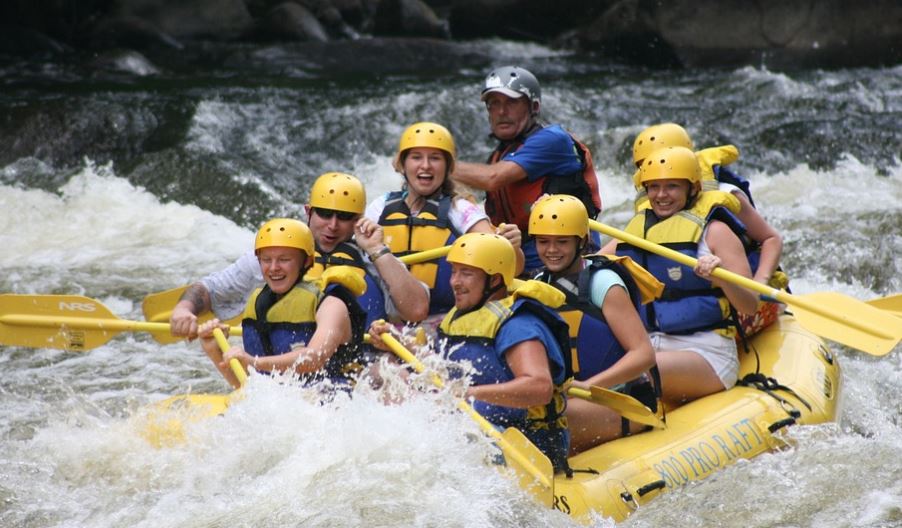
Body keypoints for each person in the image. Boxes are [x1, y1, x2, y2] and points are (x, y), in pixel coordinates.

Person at [369, 233, 572, 472]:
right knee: (387, 377)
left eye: (466, 274)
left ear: (494, 280)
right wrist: (401, 343)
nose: (455, 281)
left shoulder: (518, 325)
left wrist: (469, 393)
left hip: (524, 444)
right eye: (454, 271)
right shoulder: (462, 316)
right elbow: (446, 368)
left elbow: (539, 387)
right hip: (476, 428)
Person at [170, 172, 430, 338]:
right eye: (324, 214)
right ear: (308, 212)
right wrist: (184, 309)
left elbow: (417, 310)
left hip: (358, 369)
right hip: (288, 370)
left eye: (344, 217)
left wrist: (377, 250)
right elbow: (209, 288)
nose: (332, 225)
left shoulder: (371, 257)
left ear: (358, 220)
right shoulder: (278, 255)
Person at [605, 146, 759, 408]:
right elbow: (587, 265)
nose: (661, 195)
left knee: (636, 373)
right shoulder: (637, 232)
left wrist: (722, 278)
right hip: (649, 345)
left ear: (693, 188)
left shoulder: (716, 232)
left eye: (672, 186)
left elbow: (750, 305)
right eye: (653, 187)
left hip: (707, 352)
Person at [529, 195, 661, 454]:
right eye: (543, 242)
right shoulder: (539, 285)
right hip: (573, 399)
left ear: (581, 242)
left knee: (546, 421)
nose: (551, 250)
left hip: (624, 401)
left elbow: (644, 354)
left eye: (562, 242)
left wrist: (590, 386)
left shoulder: (603, 283)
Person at [631, 123, 787, 338]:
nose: (652, 169)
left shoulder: (724, 194)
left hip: (743, 287)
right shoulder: (654, 201)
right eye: (643, 167)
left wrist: (759, 283)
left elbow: (771, 238)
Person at [452, 66, 603, 275]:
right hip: (520, 259)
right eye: (494, 104)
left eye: (511, 102)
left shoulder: (553, 140)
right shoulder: (499, 156)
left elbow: (492, 178)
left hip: (565, 260)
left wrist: (436, 163)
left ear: (534, 106)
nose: (502, 112)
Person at [365, 121, 524, 316]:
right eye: (416, 157)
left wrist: (513, 247)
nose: (425, 166)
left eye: (435, 158)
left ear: (448, 167)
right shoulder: (379, 207)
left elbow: (511, 267)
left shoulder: (461, 210)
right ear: (402, 164)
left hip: (446, 323)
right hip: (384, 326)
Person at [197, 218, 367, 389]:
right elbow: (248, 388)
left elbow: (314, 358)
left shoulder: (332, 304)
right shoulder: (259, 304)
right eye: (266, 260)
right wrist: (214, 350)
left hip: (337, 402)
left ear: (306, 261)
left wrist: (254, 362)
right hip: (290, 406)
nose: (273, 268)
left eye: (284, 259)